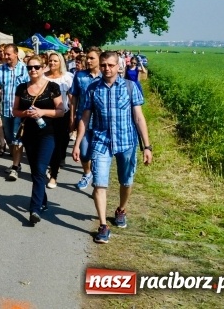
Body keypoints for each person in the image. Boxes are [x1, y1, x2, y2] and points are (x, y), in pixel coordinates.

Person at [72, 51, 153, 244]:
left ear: (119, 66)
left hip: (126, 141)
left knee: (126, 181)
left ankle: (121, 209)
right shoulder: (92, 89)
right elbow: (85, 118)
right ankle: (103, 225)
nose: (106, 69)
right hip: (101, 141)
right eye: (103, 65)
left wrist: (147, 146)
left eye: (110, 65)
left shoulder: (130, 87)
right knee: (99, 183)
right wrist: (77, 143)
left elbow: (139, 118)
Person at [12, 55, 64, 224]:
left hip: (48, 134)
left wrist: (42, 112)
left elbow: (61, 110)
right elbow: (15, 111)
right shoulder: (21, 88)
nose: (33, 70)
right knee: (36, 171)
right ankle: (42, 200)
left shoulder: (52, 87)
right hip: (29, 135)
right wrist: (25, 113)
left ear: (43, 68)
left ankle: (34, 209)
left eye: (36, 67)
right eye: (29, 67)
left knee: (41, 169)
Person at [68, 46, 102, 191]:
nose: (88, 60)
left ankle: (98, 179)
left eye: (91, 58)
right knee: (84, 151)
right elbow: (74, 97)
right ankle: (87, 173)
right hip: (83, 120)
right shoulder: (80, 75)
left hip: (101, 122)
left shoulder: (106, 75)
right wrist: (72, 117)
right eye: (87, 58)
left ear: (100, 59)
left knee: (98, 154)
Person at [0, 43, 29, 176]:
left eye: (8, 54)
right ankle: (17, 163)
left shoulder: (25, 69)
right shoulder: (1, 70)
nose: (5, 56)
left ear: (16, 54)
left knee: (17, 137)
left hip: (20, 111)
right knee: (9, 138)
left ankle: (14, 167)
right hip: (5, 109)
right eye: (4, 54)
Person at [44, 51, 74, 189]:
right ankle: (49, 166)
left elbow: (72, 100)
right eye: (50, 61)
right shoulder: (43, 77)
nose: (52, 63)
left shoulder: (67, 78)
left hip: (63, 115)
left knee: (58, 145)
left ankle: (54, 175)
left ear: (61, 62)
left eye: (55, 61)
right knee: (46, 144)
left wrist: (72, 118)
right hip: (45, 115)